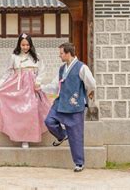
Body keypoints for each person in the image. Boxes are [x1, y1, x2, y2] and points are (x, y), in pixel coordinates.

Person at [38, 42, 96, 172]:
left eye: (61, 53)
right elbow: (55, 86)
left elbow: (91, 84)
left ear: (68, 53)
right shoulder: (61, 69)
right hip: (60, 103)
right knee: (49, 121)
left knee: (76, 136)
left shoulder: (82, 68)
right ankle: (62, 135)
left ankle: (79, 163)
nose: (60, 56)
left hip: (75, 106)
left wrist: (84, 97)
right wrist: (41, 88)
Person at [0, 33, 51, 148]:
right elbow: (8, 72)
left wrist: (38, 81)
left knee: (32, 110)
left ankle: (29, 136)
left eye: (27, 45)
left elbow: (42, 71)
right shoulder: (14, 56)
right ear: (19, 45)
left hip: (32, 86)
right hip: (17, 85)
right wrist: (0, 84)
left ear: (30, 45)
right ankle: (22, 138)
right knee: (20, 112)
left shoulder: (36, 56)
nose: (25, 47)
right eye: (23, 45)